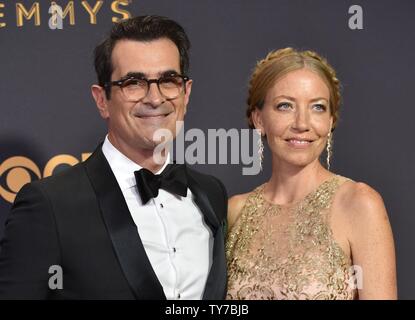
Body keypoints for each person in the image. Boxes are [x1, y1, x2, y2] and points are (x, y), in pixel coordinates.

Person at [0, 15, 227, 299]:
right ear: (102, 100)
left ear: (186, 92)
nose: (155, 98)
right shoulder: (50, 206)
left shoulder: (211, 194)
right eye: (134, 82)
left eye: (168, 80)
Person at [226, 48, 397, 300]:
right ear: (259, 119)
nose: (302, 123)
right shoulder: (235, 211)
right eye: (285, 106)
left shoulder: (359, 203)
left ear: (330, 122)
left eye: (317, 107)